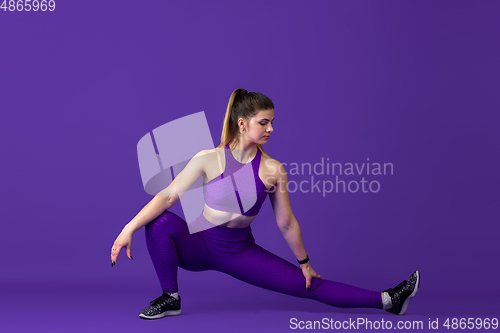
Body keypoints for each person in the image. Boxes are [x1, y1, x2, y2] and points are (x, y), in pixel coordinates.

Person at [110, 88, 420, 320]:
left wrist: (305, 263)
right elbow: (167, 196)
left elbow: (285, 221)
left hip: (239, 252)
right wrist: (128, 229)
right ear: (243, 123)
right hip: (199, 245)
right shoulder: (208, 159)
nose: (271, 129)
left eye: (272, 122)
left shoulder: (272, 170)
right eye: (264, 122)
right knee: (160, 221)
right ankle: (170, 296)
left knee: (307, 286)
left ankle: (389, 299)